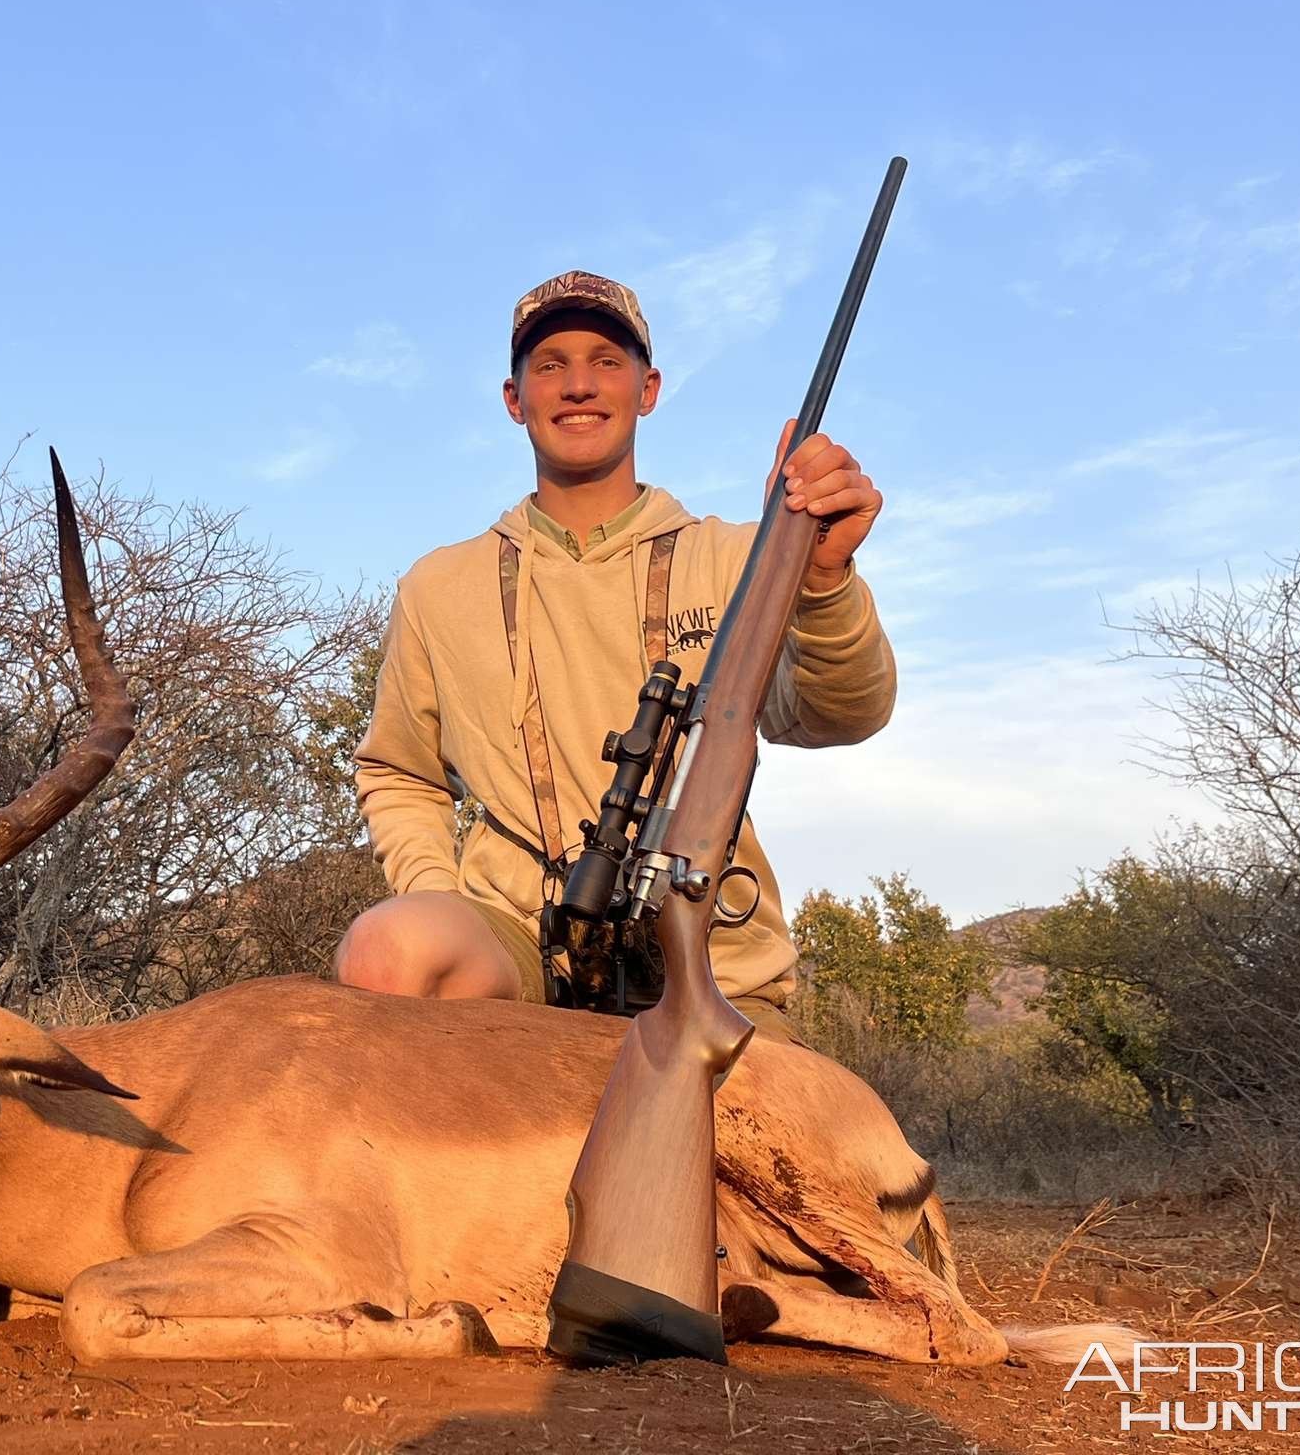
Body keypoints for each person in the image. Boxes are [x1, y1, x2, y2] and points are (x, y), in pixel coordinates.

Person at [335, 270, 896, 1039]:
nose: (577, 386)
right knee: (388, 949)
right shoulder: (439, 587)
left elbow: (841, 714)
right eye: (549, 365)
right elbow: (397, 770)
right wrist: (439, 893)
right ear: (514, 398)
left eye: (606, 361)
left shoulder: (739, 557)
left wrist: (821, 578)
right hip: (516, 948)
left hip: (707, 963)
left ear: (648, 388)